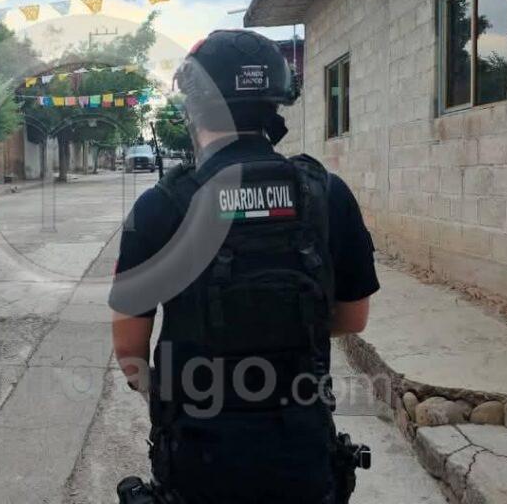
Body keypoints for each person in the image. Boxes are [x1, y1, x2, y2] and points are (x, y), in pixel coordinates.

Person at [109, 30, 379, 503]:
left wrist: (167, 395)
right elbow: (353, 317)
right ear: (275, 104)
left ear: (194, 109)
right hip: (302, 454)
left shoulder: (161, 206)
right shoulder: (326, 193)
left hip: (200, 459)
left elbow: (130, 350)